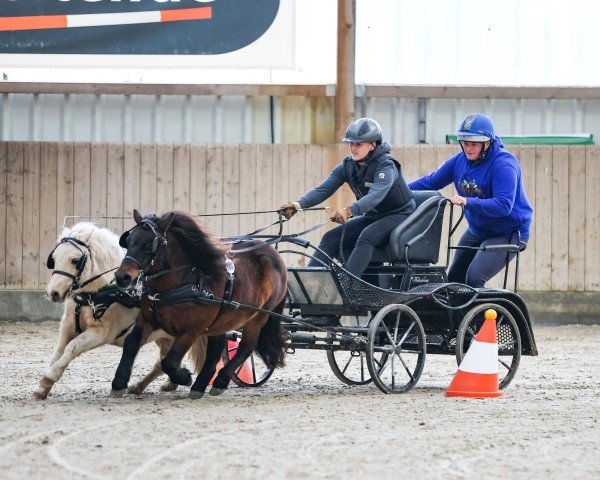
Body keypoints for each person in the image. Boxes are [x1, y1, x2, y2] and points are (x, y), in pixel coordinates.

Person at [278, 117, 415, 278]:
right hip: (373, 216)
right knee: (330, 237)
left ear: (373, 144)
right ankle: (310, 281)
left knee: (367, 236)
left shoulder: (386, 165)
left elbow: (375, 195)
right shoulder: (348, 166)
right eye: (351, 143)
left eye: (359, 144)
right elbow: (323, 189)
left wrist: (349, 211)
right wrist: (297, 205)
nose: (353, 148)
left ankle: (348, 283)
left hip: (399, 215)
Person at [409, 113, 533, 288]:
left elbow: (504, 205)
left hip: (508, 233)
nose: (468, 148)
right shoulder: (458, 162)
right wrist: (399, 191)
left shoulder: (504, 165)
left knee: (474, 278)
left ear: (487, 143)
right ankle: (458, 316)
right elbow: (430, 182)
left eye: (473, 144)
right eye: (465, 143)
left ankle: (485, 315)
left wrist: (468, 202)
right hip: (478, 230)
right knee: (453, 280)